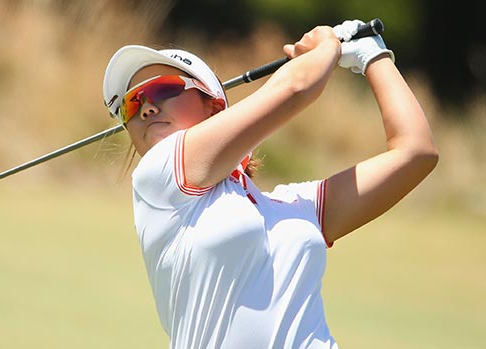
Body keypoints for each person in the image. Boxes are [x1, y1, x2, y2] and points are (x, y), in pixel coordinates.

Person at [102, 19, 438, 349]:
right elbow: (296, 87)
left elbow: (416, 153)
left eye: (163, 89)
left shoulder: (295, 207)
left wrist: (372, 56)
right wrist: (328, 47)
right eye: (130, 104)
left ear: (214, 105)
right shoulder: (157, 176)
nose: (145, 108)